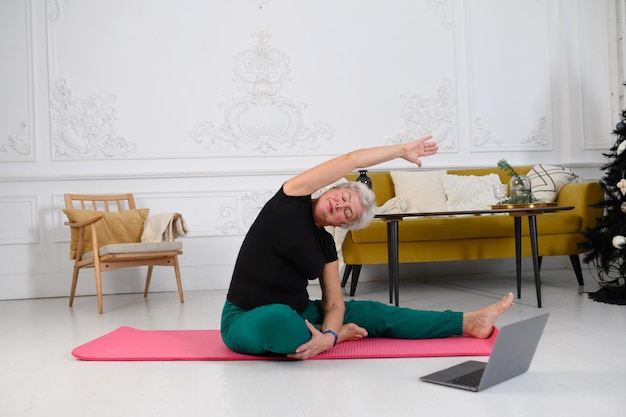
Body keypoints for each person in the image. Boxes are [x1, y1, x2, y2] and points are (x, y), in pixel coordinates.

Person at [221, 135, 514, 360]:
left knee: (375, 314)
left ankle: (466, 322)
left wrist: (331, 332)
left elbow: (334, 304)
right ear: (333, 189)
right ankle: (321, 337)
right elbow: (351, 159)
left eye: (347, 213)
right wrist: (401, 151)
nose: (341, 206)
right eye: (344, 197)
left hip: (301, 314)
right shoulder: (289, 199)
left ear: (343, 224)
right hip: (246, 317)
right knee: (279, 319)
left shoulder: (325, 244)